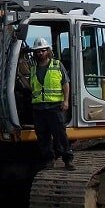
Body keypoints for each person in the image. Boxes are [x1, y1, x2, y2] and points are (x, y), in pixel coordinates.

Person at [29, 37, 74, 170]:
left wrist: (66, 101)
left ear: (47, 51)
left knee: (60, 135)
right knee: (43, 137)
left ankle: (68, 159)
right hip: (38, 108)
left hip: (54, 107)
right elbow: (32, 87)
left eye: (42, 50)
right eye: (38, 51)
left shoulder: (57, 65)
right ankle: (49, 160)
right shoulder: (33, 69)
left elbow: (65, 84)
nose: (40, 53)